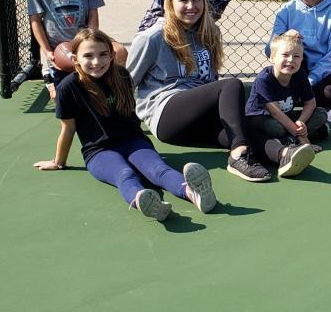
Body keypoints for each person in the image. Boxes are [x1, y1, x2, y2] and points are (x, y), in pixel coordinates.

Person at [33, 28, 216, 222]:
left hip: (133, 142)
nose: (96, 61)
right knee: (125, 174)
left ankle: (193, 192)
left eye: (103, 54)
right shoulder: (68, 88)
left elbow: (129, 113)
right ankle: (145, 202)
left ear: (112, 55)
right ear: (75, 59)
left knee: (158, 169)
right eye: (88, 56)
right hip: (99, 152)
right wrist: (58, 162)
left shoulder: (121, 76)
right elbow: (68, 128)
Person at [126, 0, 271, 182]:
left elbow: (209, 80)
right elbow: (127, 84)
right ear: (170, 4)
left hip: (195, 118)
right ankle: (238, 156)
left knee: (237, 130)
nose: (191, 6)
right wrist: (124, 127)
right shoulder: (152, 37)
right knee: (231, 85)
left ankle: (282, 153)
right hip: (166, 114)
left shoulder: (209, 33)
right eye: (183, 0)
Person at [243, 30, 325, 176]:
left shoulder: (300, 75)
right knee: (276, 127)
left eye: (296, 56)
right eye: (285, 55)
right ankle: (294, 139)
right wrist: (305, 141)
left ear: (301, 59)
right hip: (263, 119)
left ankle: (288, 139)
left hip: (287, 117)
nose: (291, 60)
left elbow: (311, 103)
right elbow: (276, 113)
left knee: (321, 114)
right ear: (272, 57)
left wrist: (301, 122)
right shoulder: (264, 79)